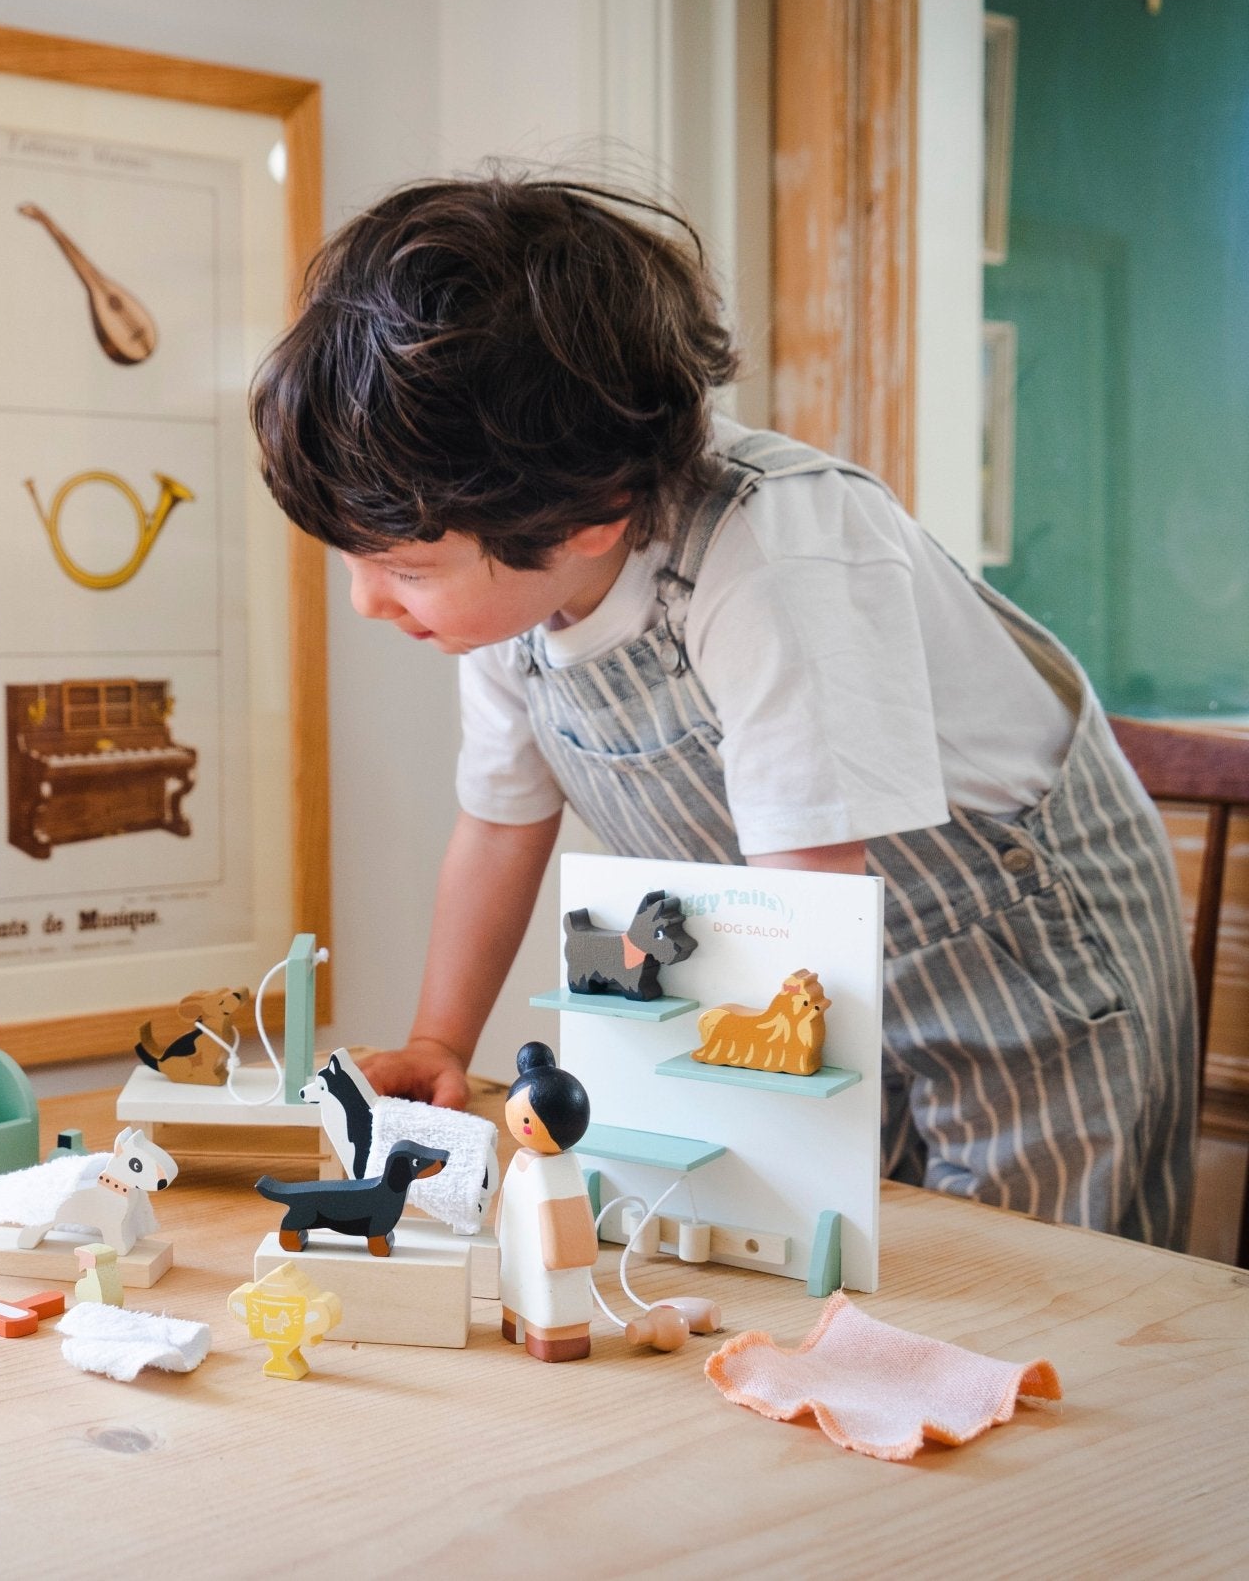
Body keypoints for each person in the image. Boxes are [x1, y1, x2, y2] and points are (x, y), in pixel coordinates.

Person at [251, 174, 1196, 1249]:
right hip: (816, 961)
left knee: (1037, 1289)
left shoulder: (771, 551)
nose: (369, 602)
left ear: (591, 514)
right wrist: (438, 1037)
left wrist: (744, 1117)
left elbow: (807, 889)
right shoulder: (510, 598)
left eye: (405, 567)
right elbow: (500, 823)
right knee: (839, 1259)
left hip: (1021, 967)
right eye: (351, 559)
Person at [496, 1041, 596, 1362]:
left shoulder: (558, 1171)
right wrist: (501, 1234)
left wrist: (565, 1254)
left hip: (549, 1268)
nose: (521, 1126)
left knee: (549, 1304)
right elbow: (508, 1206)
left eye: (527, 1120)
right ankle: (515, 1322)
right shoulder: (521, 1159)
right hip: (518, 1261)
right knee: (518, 1291)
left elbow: (571, 1223)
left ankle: (556, 1338)